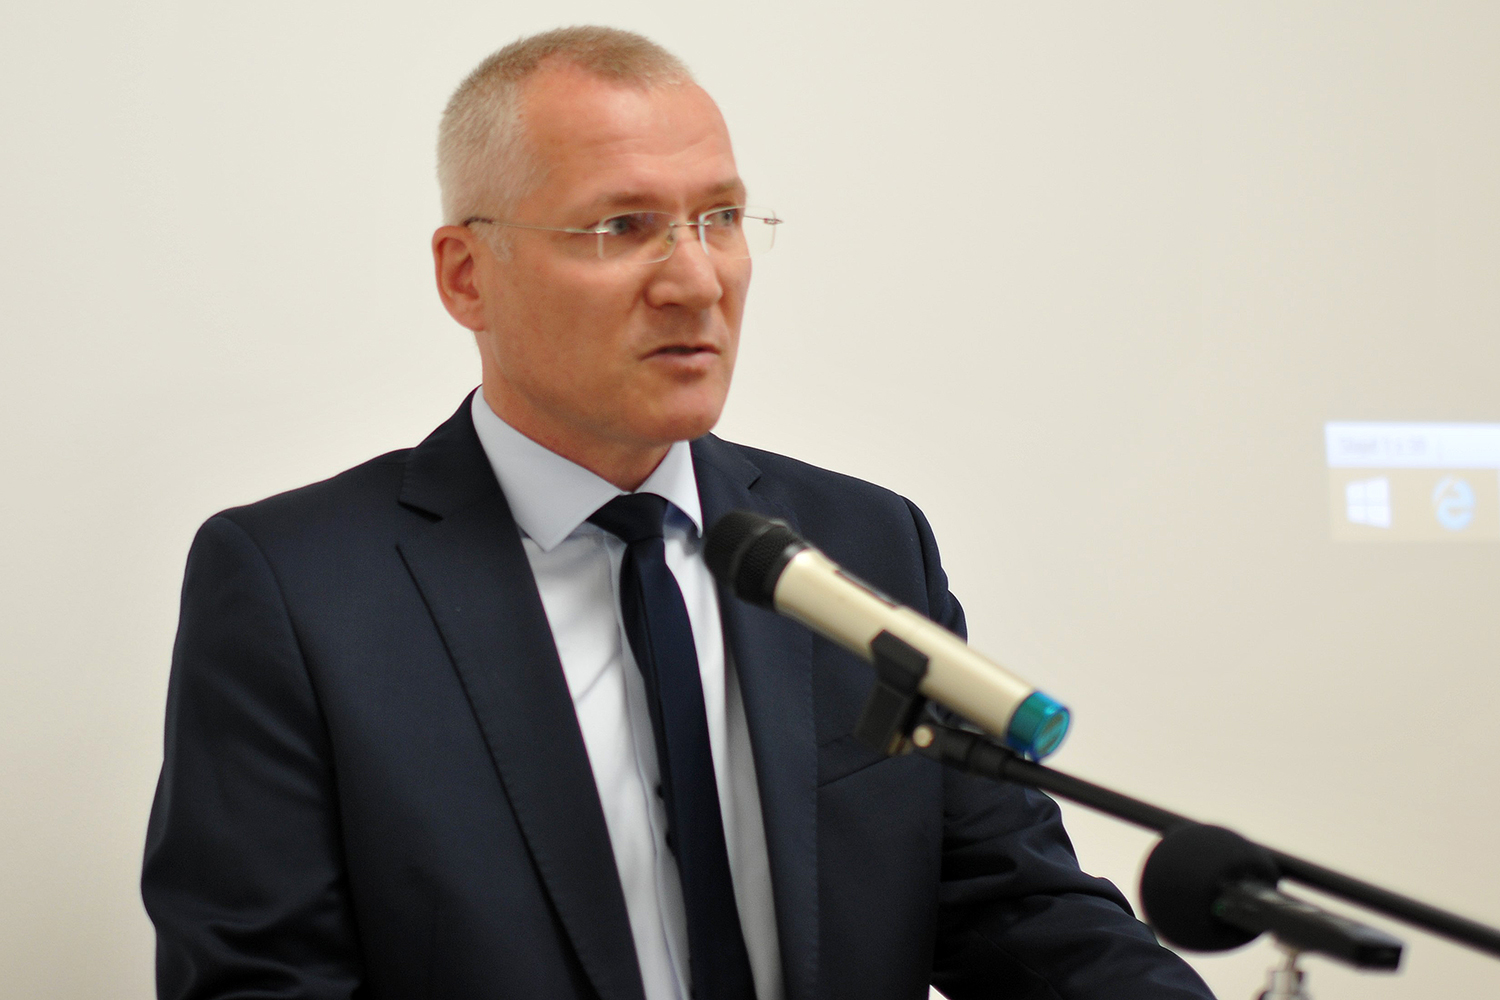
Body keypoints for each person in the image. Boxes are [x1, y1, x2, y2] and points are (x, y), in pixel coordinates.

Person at [142, 26, 1216, 1000]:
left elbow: (1019, 905)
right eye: (624, 227)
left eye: (722, 219)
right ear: (468, 276)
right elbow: (261, 980)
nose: (698, 282)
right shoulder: (300, 590)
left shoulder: (864, 543)